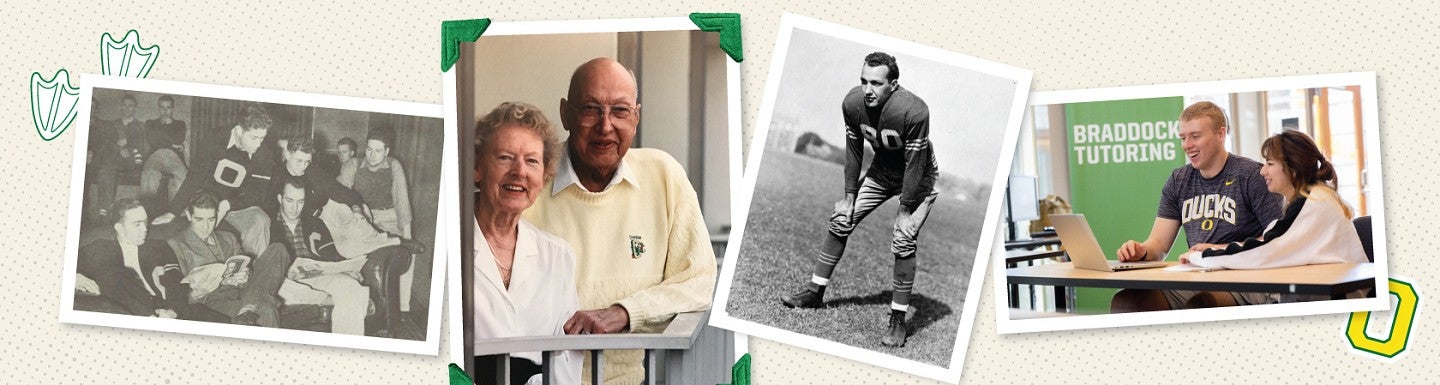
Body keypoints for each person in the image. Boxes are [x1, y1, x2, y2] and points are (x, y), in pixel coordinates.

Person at [522, 57, 717, 385]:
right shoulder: (527, 179)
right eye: (591, 109)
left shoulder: (663, 175)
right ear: (565, 114)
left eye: (620, 111)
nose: (605, 126)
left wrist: (625, 312)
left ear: (636, 117)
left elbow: (699, 280)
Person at [779, 52, 940, 348]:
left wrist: (905, 212)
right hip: (882, 171)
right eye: (864, 81)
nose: (868, 89)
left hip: (919, 176)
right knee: (841, 219)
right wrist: (848, 198)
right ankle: (814, 292)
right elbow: (854, 150)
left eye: (876, 83)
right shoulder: (853, 104)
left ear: (893, 84)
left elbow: (916, 163)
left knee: (904, 238)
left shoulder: (914, 111)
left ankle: (898, 320)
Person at [1111, 101, 1285, 311]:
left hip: (1244, 277)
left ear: (1220, 134)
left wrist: (1220, 251)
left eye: (1195, 136)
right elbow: (1158, 244)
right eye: (1183, 138)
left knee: (1203, 303)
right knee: (1127, 301)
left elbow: (1278, 241)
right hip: (1197, 276)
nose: (1187, 145)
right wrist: (1142, 251)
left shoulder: (1252, 176)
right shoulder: (1179, 180)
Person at [472, 102, 581, 385]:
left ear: (543, 176)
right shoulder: (445, 245)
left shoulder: (558, 256)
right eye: (505, 157)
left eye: (532, 161)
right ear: (477, 168)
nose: (519, 171)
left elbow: (565, 358)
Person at [268, 139, 419, 337]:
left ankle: (391, 240)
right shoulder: (274, 185)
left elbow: (339, 192)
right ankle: (327, 299)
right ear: (287, 154)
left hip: (321, 219)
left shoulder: (311, 177)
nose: (303, 167)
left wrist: (356, 208)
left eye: (307, 162)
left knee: (352, 243)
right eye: (299, 161)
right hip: (293, 265)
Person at [1179, 130, 1367, 277]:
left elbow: (1264, 252)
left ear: (1292, 168)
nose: (1262, 172)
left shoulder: (1312, 203)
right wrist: (1216, 249)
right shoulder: (1315, 197)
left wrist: (1200, 257)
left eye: (1269, 163)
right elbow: (1275, 244)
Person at [160, 103, 277, 258]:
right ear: (240, 130)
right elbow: (195, 176)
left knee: (261, 220)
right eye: (254, 138)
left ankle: (255, 272)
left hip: (237, 205)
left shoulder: (264, 153)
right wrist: (173, 211)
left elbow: (256, 194)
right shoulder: (215, 138)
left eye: (262, 138)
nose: (258, 144)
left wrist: (228, 204)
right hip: (208, 199)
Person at [166, 191, 290, 326]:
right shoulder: (176, 245)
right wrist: (196, 295)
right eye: (199, 219)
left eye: (211, 219)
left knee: (278, 249)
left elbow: (246, 272)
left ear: (217, 216)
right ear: (189, 216)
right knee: (265, 309)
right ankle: (251, 305)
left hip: (244, 292)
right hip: (213, 303)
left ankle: (249, 305)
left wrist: (245, 276)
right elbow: (177, 298)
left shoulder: (228, 238)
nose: (206, 227)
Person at [75, 199, 198, 319]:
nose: (145, 228)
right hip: (129, 311)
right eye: (137, 224)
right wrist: (74, 277)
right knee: (109, 271)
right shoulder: (99, 249)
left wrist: (173, 311)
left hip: (166, 308)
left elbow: (175, 280)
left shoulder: (159, 247)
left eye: (145, 222)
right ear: (119, 227)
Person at [140, 95, 189, 208]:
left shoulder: (180, 124)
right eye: (162, 107)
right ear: (158, 108)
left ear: (173, 109)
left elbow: (178, 139)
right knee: (149, 173)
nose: (165, 111)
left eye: (168, 108)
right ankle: (146, 210)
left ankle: (177, 213)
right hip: (156, 155)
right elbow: (152, 141)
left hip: (174, 156)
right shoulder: (150, 123)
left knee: (184, 177)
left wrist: (168, 126)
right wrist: (172, 140)